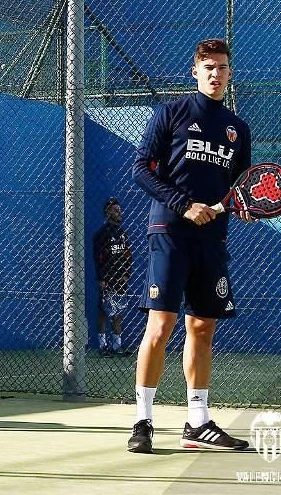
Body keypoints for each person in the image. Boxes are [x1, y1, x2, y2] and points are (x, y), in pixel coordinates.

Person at [127, 38, 252, 453]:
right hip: (170, 232)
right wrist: (184, 205)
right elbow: (141, 170)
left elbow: (240, 188)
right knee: (160, 326)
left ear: (230, 73)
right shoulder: (172, 113)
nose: (216, 73)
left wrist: (243, 206)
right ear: (195, 71)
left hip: (212, 239)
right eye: (208, 66)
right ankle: (142, 421)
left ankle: (197, 423)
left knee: (202, 327)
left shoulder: (238, 129)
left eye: (222, 67)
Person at [92, 197, 132, 357]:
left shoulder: (122, 233)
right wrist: (101, 278)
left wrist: (126, 275)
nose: (119, 212)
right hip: (107, 280)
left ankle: (117, 346)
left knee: (118, 311)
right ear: (107, 213)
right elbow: (98, 258)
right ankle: (103, 347)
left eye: (119, 209)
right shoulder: (101, 235)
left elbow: (128, 255)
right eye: (115, 210)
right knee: (103, 311)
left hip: (120, 280)